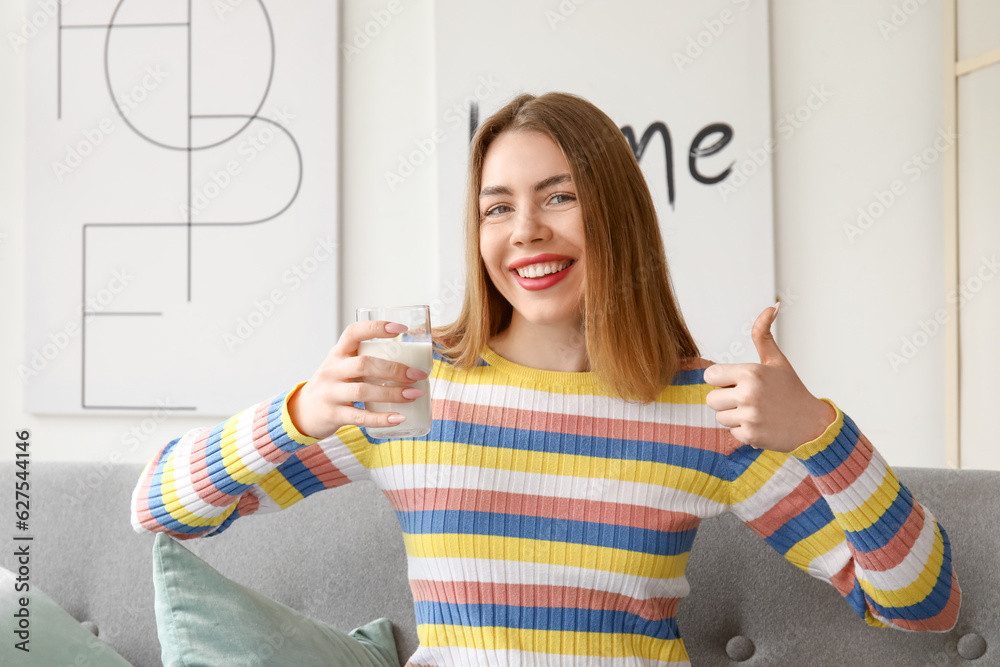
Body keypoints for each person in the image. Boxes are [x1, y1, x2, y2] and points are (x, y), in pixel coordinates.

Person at [131, 92, 960, 666]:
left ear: (615, 214)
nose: (525, 231)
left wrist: (823, 433)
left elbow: (922, 604)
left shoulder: (704, 410)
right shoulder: (410, 391)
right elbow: (160, 507)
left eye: (558, 197)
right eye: (497, 206)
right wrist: (299, 414)